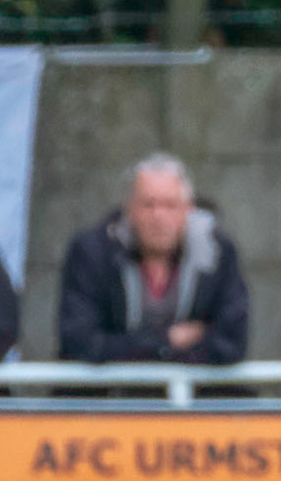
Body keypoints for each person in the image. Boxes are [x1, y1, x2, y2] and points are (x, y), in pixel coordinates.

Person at [57, 154, 249, 365]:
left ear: (189, 210)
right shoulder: (93, 251)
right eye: (148, 205)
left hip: (192, 386)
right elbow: (80, 342)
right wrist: (166, 341)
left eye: (170, 205)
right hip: (111, 386)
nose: (158, 217)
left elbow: (231, 344)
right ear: (129, 209)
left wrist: (131, 348)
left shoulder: (218, 253)